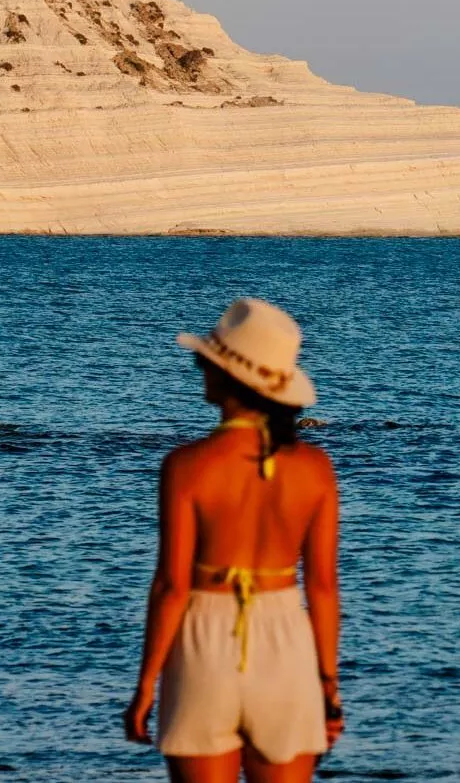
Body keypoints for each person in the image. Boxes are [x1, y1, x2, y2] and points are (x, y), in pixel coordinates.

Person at [124, 298, 344, 783]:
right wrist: (328, 685)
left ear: (228, 378)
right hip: (286, 642)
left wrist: (145, 687)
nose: (199, 370)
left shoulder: (186, 466)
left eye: (205, 362)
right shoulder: (315, 470)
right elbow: (323, 588)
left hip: (205, 641)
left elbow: (172, 587)